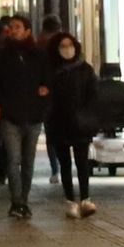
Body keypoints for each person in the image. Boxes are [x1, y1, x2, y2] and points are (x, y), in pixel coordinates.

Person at [0, 15, 47, 217]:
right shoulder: (2, 57)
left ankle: (24, 200)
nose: (13, 30)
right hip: (10, 117)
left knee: (28, 161)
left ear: (28, 31)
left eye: (18, 27)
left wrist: (43, 104)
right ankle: (16, 201)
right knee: (13, 159)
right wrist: (2, 103)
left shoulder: (38, 56)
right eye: (11, 27)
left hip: (33, 116)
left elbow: (48, 84)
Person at [42, 28, 100, 216]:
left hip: (80, 123)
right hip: (58, 123)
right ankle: (70, 200)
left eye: (69, 46)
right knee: (64, 163)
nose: (67, 49)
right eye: (63, 46)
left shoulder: (85, 69)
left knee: (82, 162)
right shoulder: (50, 70)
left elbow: (93, 94)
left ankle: (85, 198)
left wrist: (89, 113)